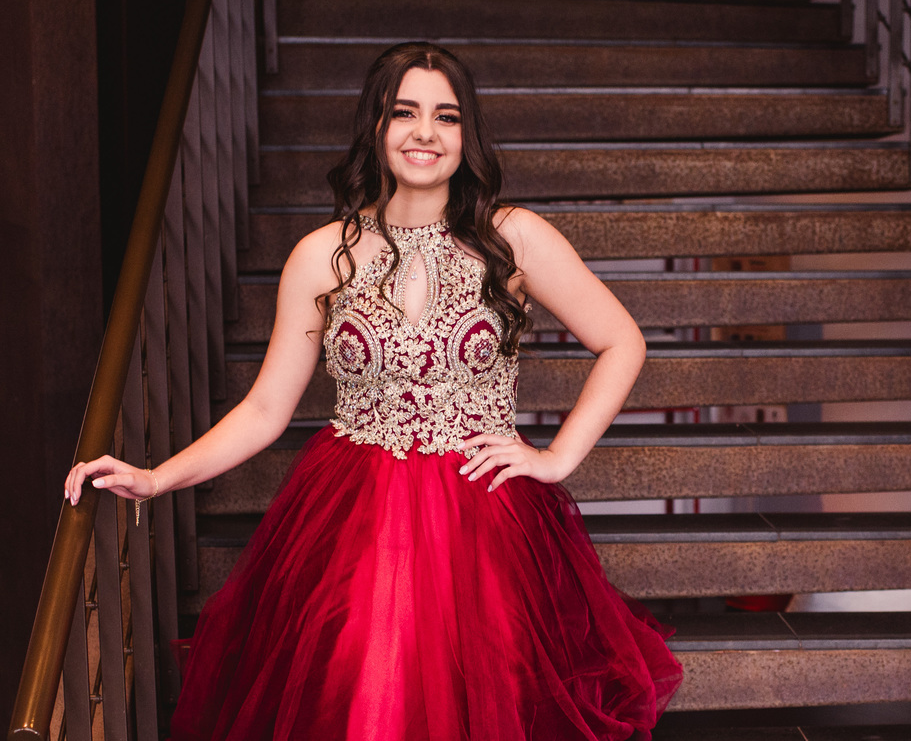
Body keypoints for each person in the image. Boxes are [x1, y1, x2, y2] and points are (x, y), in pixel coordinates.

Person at [64, 41, 683, 740]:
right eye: (404, 112)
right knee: (367, 692)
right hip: (354, 508)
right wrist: (156, 477)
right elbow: (267, 408)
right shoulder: (322, 254)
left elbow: (621, 340)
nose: (425, 132)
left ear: (465, 134)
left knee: (487, 697)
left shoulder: (514, 238)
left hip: (483, 511)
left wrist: (556, 457)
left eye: (446, 117)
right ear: (376, 127)